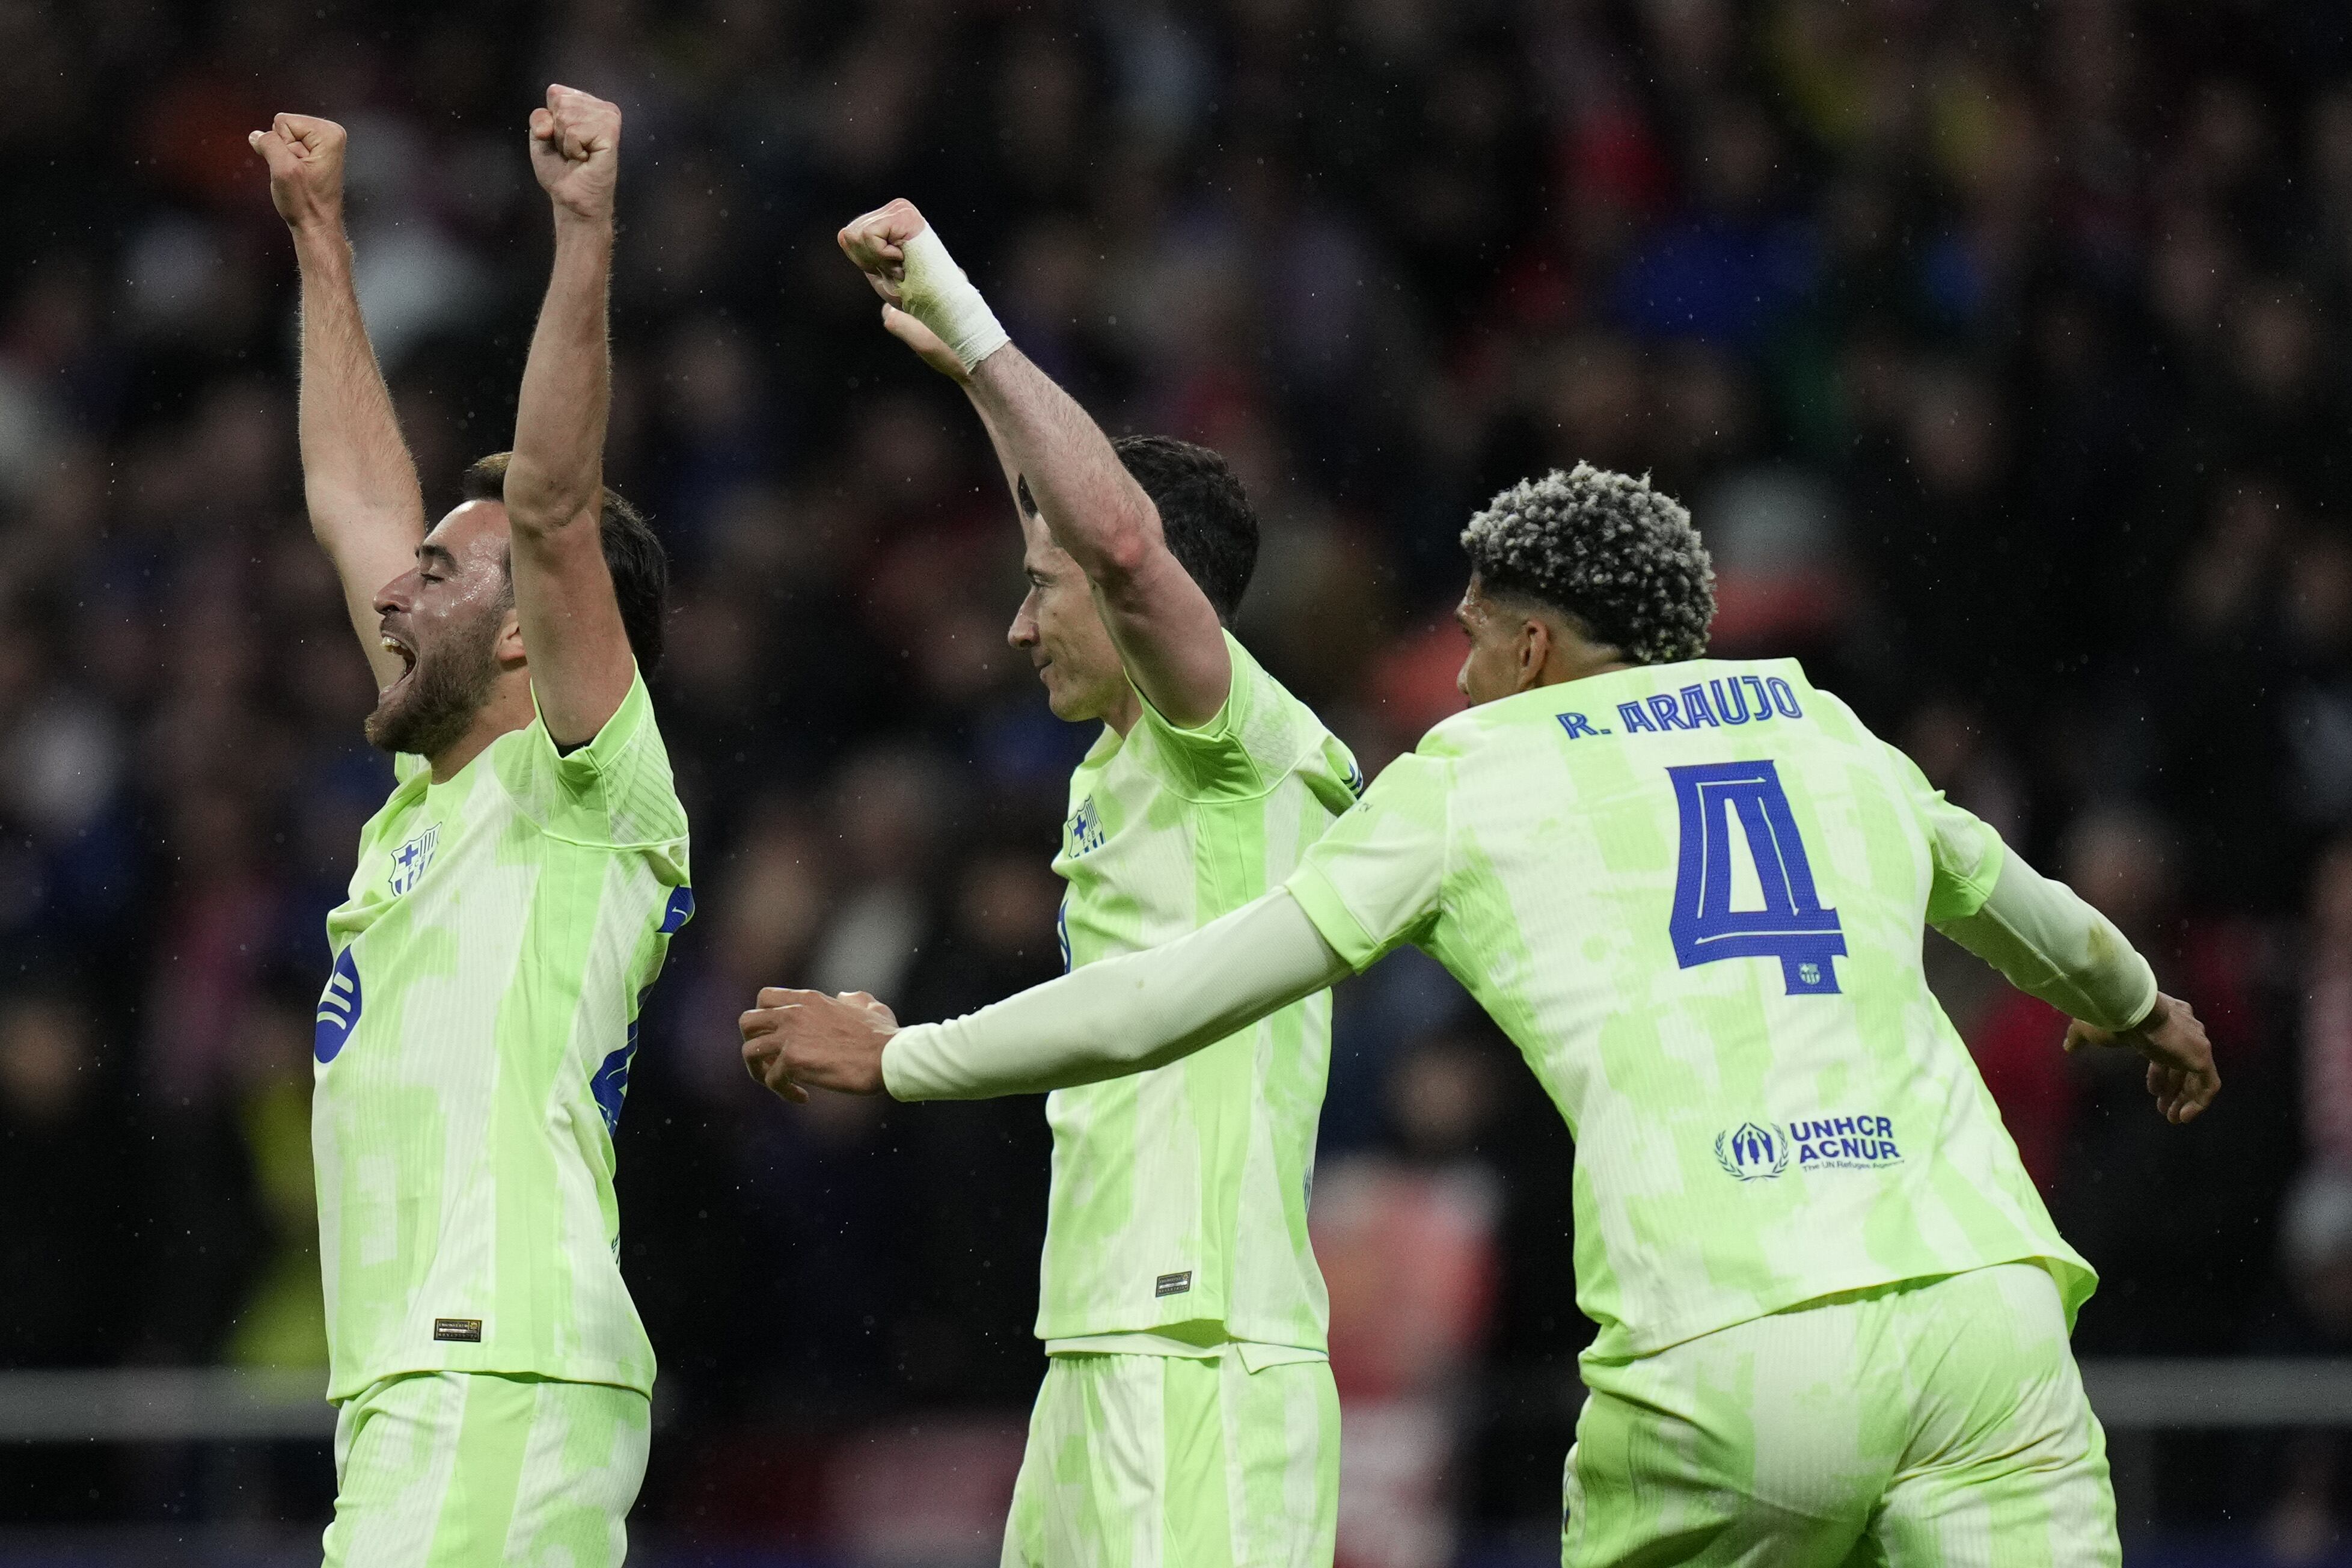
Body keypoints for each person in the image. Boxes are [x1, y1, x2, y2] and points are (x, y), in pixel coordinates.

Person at [746, 464, 2220, 1566]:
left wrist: (907, 1054)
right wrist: (2148, 1009)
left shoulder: (1473, 771)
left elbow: (1180, 988)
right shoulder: (1825, 728)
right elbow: (2030, 909)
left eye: (1467, 640)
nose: (1451, 675)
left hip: (1732, 1340)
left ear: (1528, 649)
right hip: (1990, 1305)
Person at [804, 198, 1364, 1567]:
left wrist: (968, 304)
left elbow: (1112, 542)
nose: (1015, 621)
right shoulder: (1122, 764)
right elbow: (1084, 532)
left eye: (1035, 588)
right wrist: (974, 377)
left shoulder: (1238, 744)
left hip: (1205, 1347)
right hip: (1102, 1338)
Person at [251, 87, 690, 1567]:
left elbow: (555, 511)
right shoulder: (431, 798)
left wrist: (582, 230)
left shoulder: (587, 789)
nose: (392, 591)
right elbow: (348, 497)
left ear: (530, 641)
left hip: (492, 1362)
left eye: (438, 574)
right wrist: (321, 236)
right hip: (429, 1381)